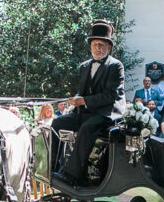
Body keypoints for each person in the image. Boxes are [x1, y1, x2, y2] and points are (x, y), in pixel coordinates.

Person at [51, 22, 126, 185]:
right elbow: (82, 92)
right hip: (86, 112)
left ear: (108, 47)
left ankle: (71, 175)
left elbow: (110, 95)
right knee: (56, 122)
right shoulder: (84, 66)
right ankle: (52, 167)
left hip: (107, 113)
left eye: (101, 44)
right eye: (94, 44)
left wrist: (83, 100)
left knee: (87, 127)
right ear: (90, 46)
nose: (98, 48)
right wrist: (75, 101)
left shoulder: (115, 66)